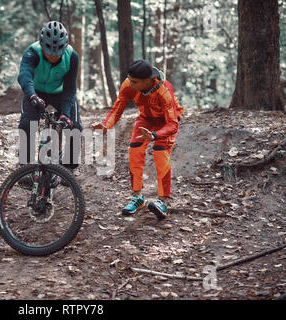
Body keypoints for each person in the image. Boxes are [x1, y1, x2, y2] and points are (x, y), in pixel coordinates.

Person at [92, 59, 183, 220]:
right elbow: (118, 107)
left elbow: (173, 124)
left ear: (147, 81)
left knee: (160, 153)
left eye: (134, 82)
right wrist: (106, 126)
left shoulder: (164, 91)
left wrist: (155, 135)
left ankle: (162, 202)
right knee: (134, 149)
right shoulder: (128, 85)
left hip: (166, 123)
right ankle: (137, 197)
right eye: (129, 79)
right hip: (145, 119)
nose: (129, 83)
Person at [17, 21, 82, 181]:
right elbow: (25, 76)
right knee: (27, 125)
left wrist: (66, 115)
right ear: (41, 45)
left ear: (64, 47)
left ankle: (68, 168)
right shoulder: (32, 53)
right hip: (36, 91)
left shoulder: (72, 57)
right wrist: (32, 96)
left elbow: (70, 88)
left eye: (57, 53)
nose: (53, 56)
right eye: (49, 52)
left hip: (60, 93)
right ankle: (25, 169)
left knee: (75, 128)